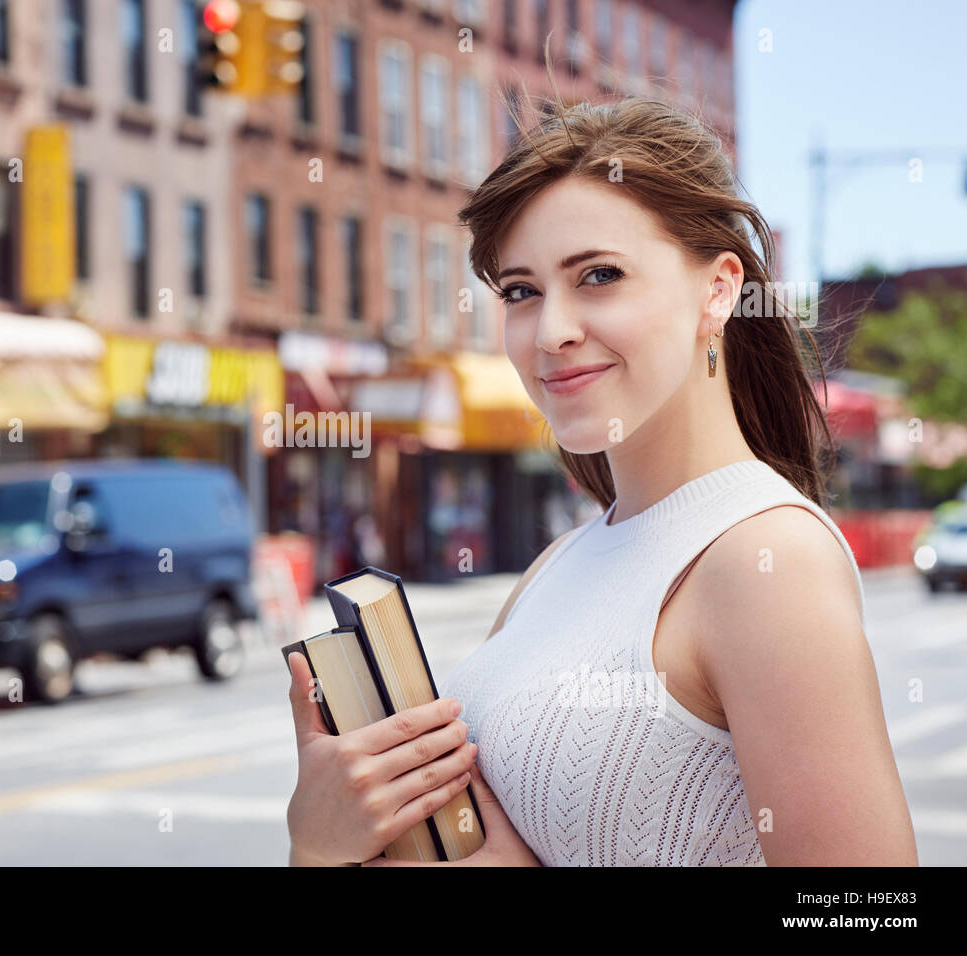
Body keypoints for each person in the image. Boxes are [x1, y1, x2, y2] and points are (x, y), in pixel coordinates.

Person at [284, 93, 917, 866]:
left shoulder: (766, 560)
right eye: (521, 291)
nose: (552, 331)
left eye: (599, 276)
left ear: (718, 290)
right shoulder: (559, 564)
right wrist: (324, 843)